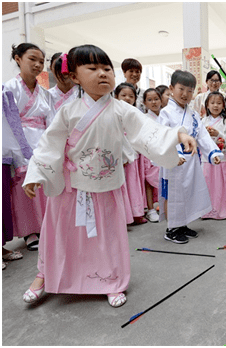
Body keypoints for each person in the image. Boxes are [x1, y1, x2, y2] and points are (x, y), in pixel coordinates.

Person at [21, 44, 196, 307]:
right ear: (75, 76)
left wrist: (178, 134)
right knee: (60, 234)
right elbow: (50, 144)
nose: (102, 73)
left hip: (106, 186)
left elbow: (147, 129)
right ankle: (45, 275)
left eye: (107, 68)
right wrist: (37, 173)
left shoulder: (120, 109)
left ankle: (110, 279)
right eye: (92, 68)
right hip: (71, 188)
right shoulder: (68, 111)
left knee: (107, 237)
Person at [158, 70, 222, 244]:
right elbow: (161, 137)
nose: (185, 94)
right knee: (174, 195)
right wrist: (172, 156)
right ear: (171, 88)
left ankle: (183, 224)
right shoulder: (166, 113)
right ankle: (171, 229)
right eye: (181, 89)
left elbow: (202, 135)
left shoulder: (193, 114)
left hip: (191, 161)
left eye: (190, 90)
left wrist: (213, 152)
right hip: (174, 162)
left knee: (189, 192)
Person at [4, 43, 55, 251]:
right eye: (32, 59)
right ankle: (29, 231)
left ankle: (46, 226)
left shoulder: (45, 93)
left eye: (41, 61)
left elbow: (51, 121)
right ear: (18, 59)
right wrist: (21, 150)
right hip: (19, 141)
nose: (37, 64)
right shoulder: (9, 88)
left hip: (42, 140)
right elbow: (9, 122)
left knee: (43, 184)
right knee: (23, 186)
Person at [3, 87, 30, 268]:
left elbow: (12, 122)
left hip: (2, 151)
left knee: (3, 203)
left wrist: (20, 154)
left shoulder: (4, 92)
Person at [115, 83, 147, 225]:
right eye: (124, 95)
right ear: (116, 96)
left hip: (133, 154)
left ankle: (136, 213)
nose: (127, 98)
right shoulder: (113, 112)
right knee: (121, 186)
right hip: (119, 154)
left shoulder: (135, 114)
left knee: (133, 184)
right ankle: (123, 216)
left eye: (131, 96)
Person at [201, 91, 226, 220]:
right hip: (207, 157)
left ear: (223, 106)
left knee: (221, 184)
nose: (216, 106)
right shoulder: (203, 121)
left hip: (222, 157)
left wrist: (219, 134)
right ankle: (207, 211)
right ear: (207, 105)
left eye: (219, 103)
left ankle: (223, 210)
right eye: (212, 103)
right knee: (207, 183)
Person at [141, 88, 163, 222]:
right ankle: (150, 209)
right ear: (144, 103)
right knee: (149, 181)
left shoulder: (165, 115)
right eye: (150, 100)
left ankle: (163, 206)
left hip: (163, 151)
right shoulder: (143, 118)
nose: (153, 102)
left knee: (164, 180)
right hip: (149, 152)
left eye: (156, 99)